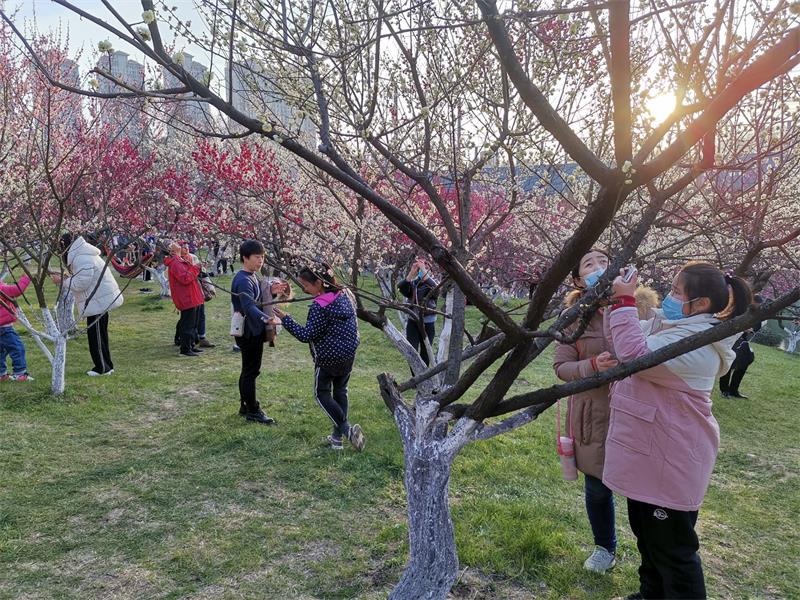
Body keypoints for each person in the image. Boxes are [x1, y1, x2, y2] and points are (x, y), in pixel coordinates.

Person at [604, 261, 751, 600]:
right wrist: (614, 303)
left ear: (701, 304)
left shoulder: (697, 345)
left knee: (674, 552)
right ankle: (651, 594)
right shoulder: (677, 328)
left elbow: (634, 355)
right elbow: (625, 338)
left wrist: (624, 301)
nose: (668, 297)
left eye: (675, 291)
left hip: (670, 461)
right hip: (654, 454)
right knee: (648, 537)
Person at [553, 248, 619, 573]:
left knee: (642, 489)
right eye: (589, 264)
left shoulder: (639, 308)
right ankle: (605, 548)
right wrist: (591, 365)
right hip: (593, 413)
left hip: (635, 410)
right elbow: (561, 367)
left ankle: (654, 555)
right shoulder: (574, 318)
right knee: (597, 488)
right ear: (578, 280)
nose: (598, 268)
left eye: (604, 262)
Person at [272, 264, 364, 451]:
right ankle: (337, 439)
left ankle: (347, 430)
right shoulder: (345, 294)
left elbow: (306, 335)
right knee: (341, 391)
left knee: (321, 393)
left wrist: (285, 319)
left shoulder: (320, 306)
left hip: (328, 359)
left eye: (306, 285)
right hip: (348, 354)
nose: (304, 289)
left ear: (319, 283)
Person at [52, 233, 123, 376]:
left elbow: (81, 283)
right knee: (100, 335)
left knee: (96, 336)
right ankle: (107, 365)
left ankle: (102, 368)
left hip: (96, 301)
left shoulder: (81, 257)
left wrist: (62, 281)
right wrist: (67, 278)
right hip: (99, 300)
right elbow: (83, 277)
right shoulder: (83, 253)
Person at [230, 240, 277, 425]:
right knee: (251, 371)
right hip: (249, 331)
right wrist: (265, 318)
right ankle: (253, 410)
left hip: (251, 329)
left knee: (247, 370)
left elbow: (257, 299)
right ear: (245, 258)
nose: (260, 261)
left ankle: (245, 406)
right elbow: (249, 306)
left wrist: (272, 291)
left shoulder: (250, 276)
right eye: (257, 257)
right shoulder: (243, 280)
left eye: (262, 257)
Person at [164, 241, 205, 357]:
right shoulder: (176, 263)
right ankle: (185, 349)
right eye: (182, 247)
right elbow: (185, 278)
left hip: (191, 296)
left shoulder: (179, 261)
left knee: (193, 323)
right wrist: (196, 268)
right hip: (187, 298)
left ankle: (191, 345)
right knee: (188, 324)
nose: (186, 248)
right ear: (174, 251)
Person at [398, 257, 439, 365]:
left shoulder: (433, 284)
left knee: (426, 352)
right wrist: (412, 273)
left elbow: (436, 290)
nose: (422, 271)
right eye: (420, 270)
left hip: (428, 322)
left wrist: (424, 271)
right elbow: (401, 288)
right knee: (412, 351)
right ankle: (415, 373)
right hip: (413, 321)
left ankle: (424, 373)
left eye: (425, 269)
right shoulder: (413, 284)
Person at [719, 295, 762, 398]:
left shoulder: (756, 314)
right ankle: (724, 390)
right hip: (732, 339)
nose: (755, 307)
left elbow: (756, 327)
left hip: (742, 340)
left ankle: (733, 390)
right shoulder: (739, 309)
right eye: (755, 305)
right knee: (730, 362)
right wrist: (742, 328)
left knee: (747, 359)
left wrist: (749, 329)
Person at [0, 274, 34, 382]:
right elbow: (17, 290)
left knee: (1, 351)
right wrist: (27, 277)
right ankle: (20, 373)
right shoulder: (1, 289)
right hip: (4, 328)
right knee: (17, 348)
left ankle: (1, 373)